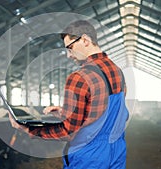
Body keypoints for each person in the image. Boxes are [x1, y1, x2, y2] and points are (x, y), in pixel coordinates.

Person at [9, 20, 129, 169]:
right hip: (116, 151)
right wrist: (64, 113)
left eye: (70, 48)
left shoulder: (79, 78)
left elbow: (67, 132)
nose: (68, 55)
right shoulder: (118, 72)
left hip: (89, 156)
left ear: (85, 40)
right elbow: (109, 114)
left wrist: (28, 129)